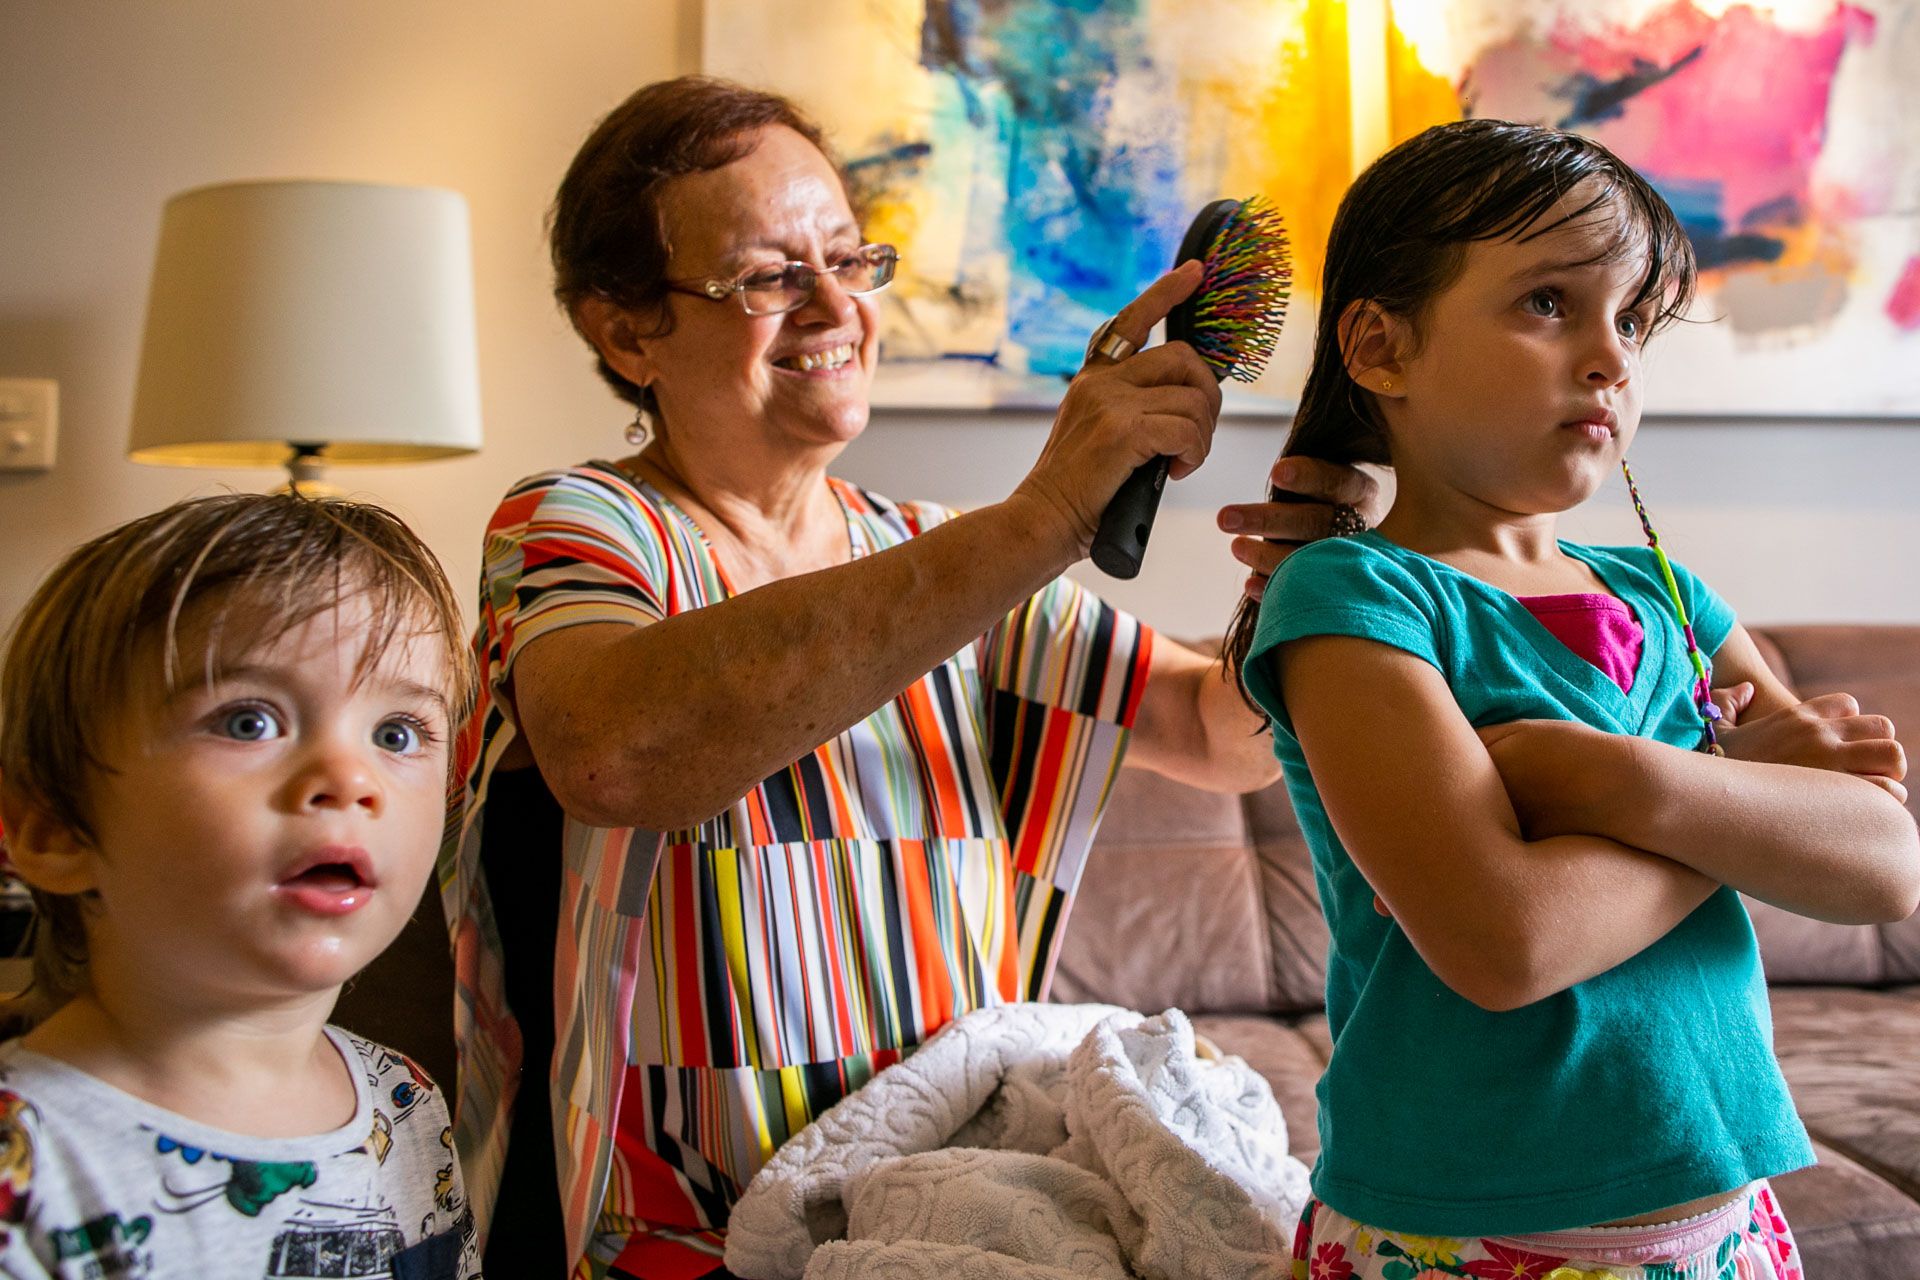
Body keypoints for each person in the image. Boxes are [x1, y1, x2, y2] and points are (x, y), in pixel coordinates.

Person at [441, 75, 1377, 1278]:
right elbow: (615, 753)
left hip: (940, 1212)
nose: (834, 305)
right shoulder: (579, 526)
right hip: (671, 1238)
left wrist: (1301, 574)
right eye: (768, 277)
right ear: (626, 331)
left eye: (849, 257)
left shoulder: (931, 551)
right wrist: (1043, 513)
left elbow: (1221, 734)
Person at [1231, 119, 1920, 1277]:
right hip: (1461, 1231)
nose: (1610, 356)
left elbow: (1883, 861)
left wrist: (1623, 778)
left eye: (1634, 321)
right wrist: (1748, 801)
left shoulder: (1667, 593)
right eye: (1549, 302)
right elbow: (1508, 937)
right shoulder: (1353, 595)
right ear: (1379, 346)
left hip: (1724, 1217)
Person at [0, 494, 481, 1278]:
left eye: (397, 734)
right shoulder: (26, 1160)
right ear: (54, 831)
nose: (350, 779)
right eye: (249, 721)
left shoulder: (406, 1102)